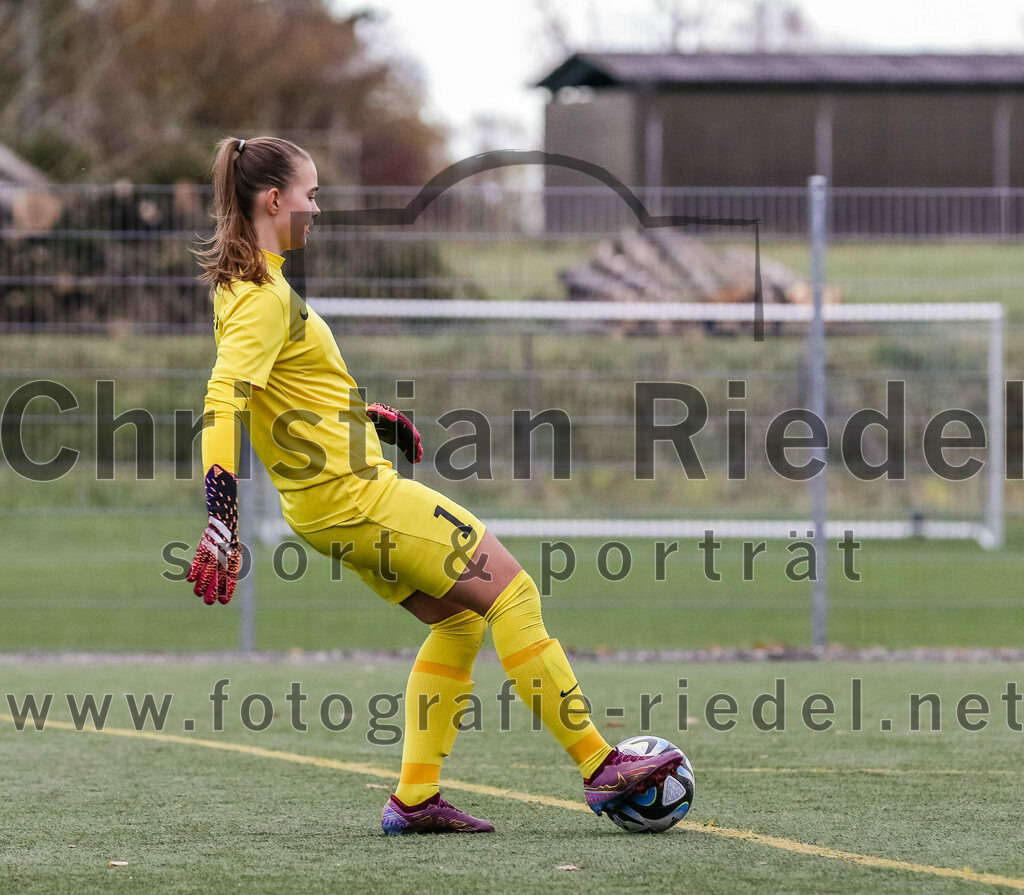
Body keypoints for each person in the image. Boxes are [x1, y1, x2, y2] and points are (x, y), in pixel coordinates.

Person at [187, 135, 682, 835]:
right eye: (311, 194)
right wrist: (221, 513)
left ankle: (415, 799)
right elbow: (225, 399)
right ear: (274, 200)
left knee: (458, 619)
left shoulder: (246, 286)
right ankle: (601, 765)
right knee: (513, 592)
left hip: (325, 508)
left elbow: (284, 390)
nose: (317, 208)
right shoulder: (264, 296)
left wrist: (363, 415)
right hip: (359, 498)